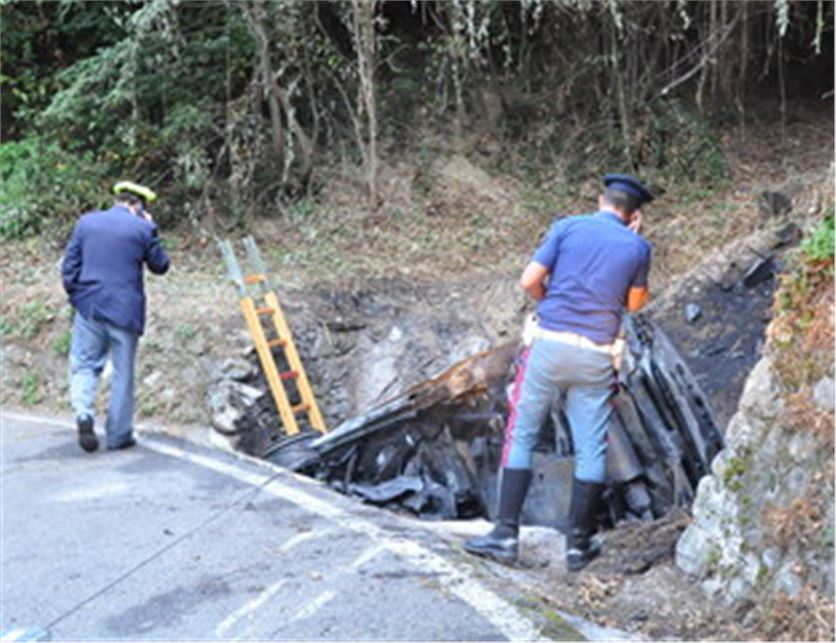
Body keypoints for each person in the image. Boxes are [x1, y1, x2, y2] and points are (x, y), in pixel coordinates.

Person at [464, 173, 654, 571]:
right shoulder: (638, 247)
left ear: (601, 201)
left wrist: (550, 302)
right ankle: (578, 547)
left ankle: (504, 535)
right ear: (633, 215)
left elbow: (529, 281)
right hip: (597, 355)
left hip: (548, 346)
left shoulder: (567, 228)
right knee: (591, 447)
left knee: (523, 432)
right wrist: (633, 241)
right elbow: (635, 305)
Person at [61, 181, 170, 452]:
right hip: (125, 311)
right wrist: (152, 230)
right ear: (139, 205)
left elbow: (69, 266)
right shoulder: (142, 228)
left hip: (90, 306)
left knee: (84, 363)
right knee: (122, 373)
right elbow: (161, 265)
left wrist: (77, 297)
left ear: (118, 200)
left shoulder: (86, 223)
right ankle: (118, 435)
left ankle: (84, 414)